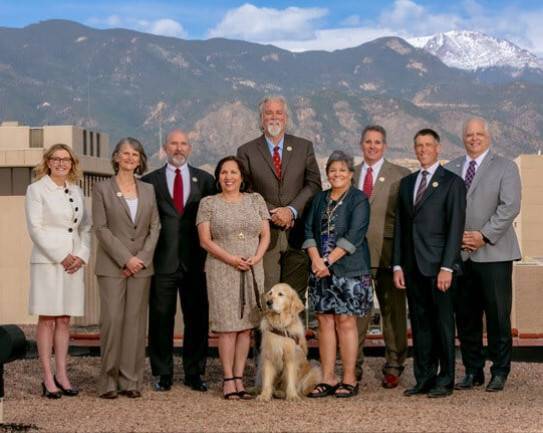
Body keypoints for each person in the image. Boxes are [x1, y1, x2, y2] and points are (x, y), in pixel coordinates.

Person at [445, 117, 521, 392]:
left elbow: (510, 206)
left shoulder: (506, 167)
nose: (474, 138)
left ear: (489, 137)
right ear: (463, 138)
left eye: (479, 134)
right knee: (466, 317)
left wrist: (483, 235)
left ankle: (499, 370)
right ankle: (473, 370)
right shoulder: (450, 168)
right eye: (469, 134)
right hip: (460, 255)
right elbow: (444, 208)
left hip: (494, 253)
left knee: (498, 317)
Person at [392, 129, 466, 398]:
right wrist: (397, 265)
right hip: (412, 267)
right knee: (420, 324)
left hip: (439, 268)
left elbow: (455, 227)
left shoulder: (452, 182)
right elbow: (400, 227)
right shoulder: (407, 183)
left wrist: (447, 267)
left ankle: (445, 380)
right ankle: (424, 378)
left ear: (438, 148)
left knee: (443, 325)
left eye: (428, 145)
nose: (423, 149)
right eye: (419, 145)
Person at [141, 129, 215, 392]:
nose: (179, 148)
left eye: (183, 144)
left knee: (197, 319)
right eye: (174, 143)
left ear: (190, 148)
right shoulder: (149, 182)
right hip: (162, 261)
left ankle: (195, 372)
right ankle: (163, 373)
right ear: (165, 147)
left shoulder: (206, 180)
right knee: (161, 318)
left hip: (196, 262)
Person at [237, 95, 321, 309]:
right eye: (268, 113)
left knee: (294, 301)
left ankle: (292, 334)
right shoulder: (246, 151)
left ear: (286, 118)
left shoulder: (304, 147)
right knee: (268, 299)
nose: (274, 117)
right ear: (261, 118)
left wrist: (291, 211)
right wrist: (274, 212)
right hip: (265, 237)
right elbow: (245, 190)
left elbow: (313, 185)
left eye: (279, 113)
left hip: (298, 234)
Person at [197, 156, 270, 399]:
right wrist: (231, 259)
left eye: (233, 172)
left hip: (252, 269)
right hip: (222, 269)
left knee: (246, 328)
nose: (228, 177)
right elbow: (205, 240)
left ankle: (239, 378)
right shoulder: (209, 203)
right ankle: (228, 379)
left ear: (241, 176)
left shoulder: (256, 200)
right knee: (228, 327)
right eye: (224, 172)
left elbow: (265, 235)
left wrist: (256, 257)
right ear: (218, 177)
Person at [93, 137, 160, 399]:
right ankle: (108, 382)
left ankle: (131, 380)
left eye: (135, 154)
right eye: (125, 153)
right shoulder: (102, 188)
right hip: (112, 267)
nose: (130, 158)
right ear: (116, 157)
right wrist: (126, 259)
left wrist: (141, 258)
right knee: (112, 322)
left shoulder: (148, 189)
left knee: (135, 324)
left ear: (140, 160)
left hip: (142, 267)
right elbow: (101, 228)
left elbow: (155, 227)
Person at [303, 150, 372, 398]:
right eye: (333, 170)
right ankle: (328, 377)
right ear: (327, 173)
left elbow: (355, 234)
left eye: (342, 170)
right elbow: (308, 231)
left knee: (345, 321)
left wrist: (327, 261)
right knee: (324, 322)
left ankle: (349, 378)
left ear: (351, 174)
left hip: (349, 270)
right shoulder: (319, 199)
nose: (337, 174)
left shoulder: (359, 199)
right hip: (320, 271)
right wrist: (315, 260)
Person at [25, 143, 91, 398]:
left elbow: (85, 227)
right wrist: (61, 256)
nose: (61, 163)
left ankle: (62, 374)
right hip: (48, 261)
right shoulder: (36, 189)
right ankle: (47, 376)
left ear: (72, 163)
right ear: (48, 162)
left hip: (74, 262)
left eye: (66, 159)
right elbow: (35, 228)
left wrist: (81, 255)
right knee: (48, 318)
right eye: (56, 158)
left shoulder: (76, 189)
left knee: (64, 319)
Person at [353, 125, 410, 387]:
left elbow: (406, 219)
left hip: (389, 254)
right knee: (357, 314)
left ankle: (394, 365)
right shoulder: (350, 174)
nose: (373, 146)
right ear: (361, 145)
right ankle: (353, 365)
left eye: (377, 142)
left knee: (393, 313)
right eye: (368, 142)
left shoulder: (401, 175)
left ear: (385, 146)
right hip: (356, 256)